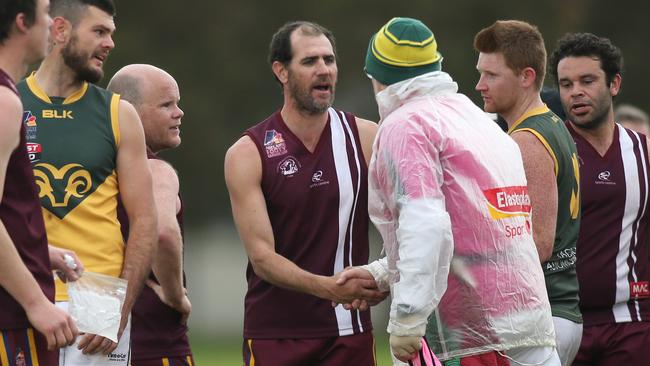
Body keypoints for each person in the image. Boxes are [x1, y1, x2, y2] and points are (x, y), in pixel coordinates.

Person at [339, 17, 559, 365]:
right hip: (526, 317)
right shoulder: (475, 118)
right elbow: (473, 226)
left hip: (465, 331)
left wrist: (408, 316)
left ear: (379, 78)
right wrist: (384, 273)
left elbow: (425, 222)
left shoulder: (406, 125)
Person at [224, 20, 385, 366]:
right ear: (281, 71)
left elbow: (406, 220)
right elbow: (262, 258)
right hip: (275, 335)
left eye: (329, 60)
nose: (324, 70)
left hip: (349, 332)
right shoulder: (247, 153)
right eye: (310, 61)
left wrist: (384, 275)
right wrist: (329, 288)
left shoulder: (368, 138)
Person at [17, 0, 157, 365]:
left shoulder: (119, 113)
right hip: (24, 292)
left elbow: (145, 221)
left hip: (98, 302)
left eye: (111, 33)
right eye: (99, 31)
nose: (110, 43)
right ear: (60, 31)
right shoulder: (10, 104)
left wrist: (120, 308)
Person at [474, 20, 582, 365]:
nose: (480, 85)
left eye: (492, 75)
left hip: (544, 315)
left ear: (526, 76)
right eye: (480, 73)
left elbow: (538, 243)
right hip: (553, 315)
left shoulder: (526, 140)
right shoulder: (549, 123)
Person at [549, 32, 650, 366]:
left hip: (633, 320)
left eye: (587, 80)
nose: (576, 91)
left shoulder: (644, 152)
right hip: (564, 321)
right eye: (566, 84)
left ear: (614, 84)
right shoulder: (548, 152)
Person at [0, 1, 81, 364]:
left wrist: (38, 253)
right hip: (10, 316)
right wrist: (36, 303)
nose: (52, 23)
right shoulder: (4, 102)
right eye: (46, 13)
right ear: (21, 22)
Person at [107, 64, 194, 366]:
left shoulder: (93, 171)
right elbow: (163, 234)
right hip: (154, 344)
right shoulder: (154, 170)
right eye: (167, 104)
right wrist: (175, 296)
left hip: (98, 339)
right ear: (128, 112)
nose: (179, 113)